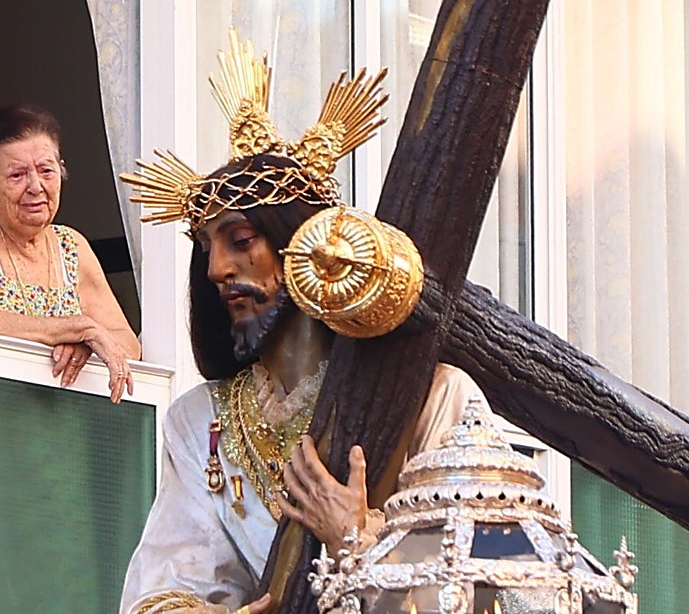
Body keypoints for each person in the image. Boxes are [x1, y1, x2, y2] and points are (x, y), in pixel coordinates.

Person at [119, 44, 484, 614]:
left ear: (306, 247)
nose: (218, 269)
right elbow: (164, 588)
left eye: (241, 242)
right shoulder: (202, 423)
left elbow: (484, 584)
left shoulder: (438, 395)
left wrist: (357, 540)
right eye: (206, 248)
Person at [0, 104, 140, 401]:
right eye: (17, 175)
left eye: (47, 170)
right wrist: (77, 328)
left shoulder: (71, 246)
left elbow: (127, 344)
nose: (36, 186)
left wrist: (85, 345)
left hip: (61, 428)